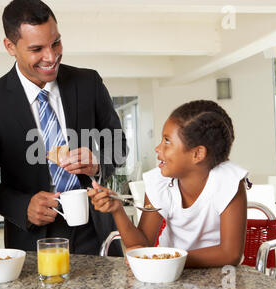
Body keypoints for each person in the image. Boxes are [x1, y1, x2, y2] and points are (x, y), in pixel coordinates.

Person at [0, 0, 126, 255]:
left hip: (96, 226)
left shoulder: (88, 83)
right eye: (36, 48)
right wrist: (22, 206)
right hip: (33, 235)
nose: (51, 57)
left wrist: (97, 163)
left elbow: (118, 144)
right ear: (10, 46)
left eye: (56, 43)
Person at [88, 100, 248, 267]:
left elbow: (230, 254)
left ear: (197, 153)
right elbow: (143, 244)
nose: (157, 148)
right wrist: (117, 209)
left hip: (217, 278)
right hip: (169, 275)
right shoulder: (160, 182)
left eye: (167, 141)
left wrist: (168, 258)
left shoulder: (228, 182)